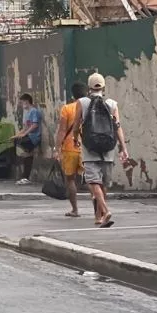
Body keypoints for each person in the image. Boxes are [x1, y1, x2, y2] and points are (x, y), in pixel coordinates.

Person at [71, 73, 127, 228]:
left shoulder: (81, 102)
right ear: (103, 87)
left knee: (93, 181)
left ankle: (105, 211)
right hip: (108, 148)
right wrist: (123, 147)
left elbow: (76, 126)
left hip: (90, 147)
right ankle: (99, 217)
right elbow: (117, 127)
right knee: (103, 183)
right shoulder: (112, 104)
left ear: (89, 87)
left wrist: (75, 140)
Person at [53, 82, 87, 217]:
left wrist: (57, 148)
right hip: (86, 149)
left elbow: (62, 131)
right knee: (91, 180)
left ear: (73, 95)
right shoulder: (89, 107)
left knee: (70, 179)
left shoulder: (67, 109)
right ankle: (100, 209)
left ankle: (75, 210)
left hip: (70, 148)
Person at [11, 93, 42, 185]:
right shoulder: (26, 113)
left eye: (22, 102)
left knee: (27, 154)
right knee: (17, 142)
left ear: (27, 102)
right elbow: (25, 127)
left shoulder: (33, 111)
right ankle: (24, 176)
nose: (21, 104)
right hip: (27, 136)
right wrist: (17, 135)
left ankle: (26, 176)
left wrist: (24, 134)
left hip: (33, 137)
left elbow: (34, 125)